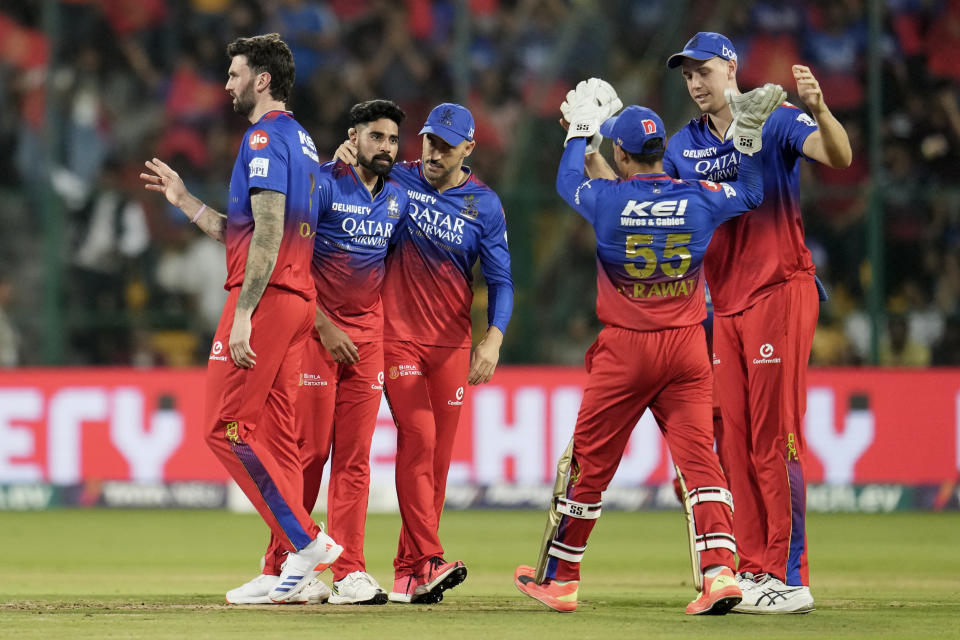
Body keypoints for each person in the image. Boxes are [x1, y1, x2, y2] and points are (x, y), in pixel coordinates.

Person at [514, 80, 781, 615]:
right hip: (686, 347)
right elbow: (751, 192)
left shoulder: (606, 199)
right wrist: (748, 138)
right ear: (661, 152)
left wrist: (579, 133)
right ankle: (720, 573)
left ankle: (561, 578)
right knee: (701, 462)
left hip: (626, 349)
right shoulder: (700, 195)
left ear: (620, 152)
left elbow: (568, 180)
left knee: (589, 463)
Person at [139, 33, 341, 604]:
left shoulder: (260, 136)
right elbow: (244, 232)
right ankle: (296, 575)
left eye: (233, 75)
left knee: (223, 428)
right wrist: (183, 200)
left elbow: (269, 230)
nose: (225, 85)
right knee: (274, 438)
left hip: (268, 298)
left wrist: (246, 312)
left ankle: (305, 542)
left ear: (262, 81)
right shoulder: (299, 140)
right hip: (298, 298)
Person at [663, 32, 852, 613]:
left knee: (776, 437)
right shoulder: (682, 146)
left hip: (780, 288)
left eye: (704, 71)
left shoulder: (774, 116)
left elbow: (839, 156)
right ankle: (753, 568)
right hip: (727, 303)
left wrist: (820, 109)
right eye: (687, 75)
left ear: (731, 68)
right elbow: (671, 206)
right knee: (737, 443)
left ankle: (789, 575)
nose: (696, 84)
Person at [227, 99, 409, 606]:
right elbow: (294, 258)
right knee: (305, 455)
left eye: (393, 139)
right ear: (354, 136)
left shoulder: (398, 196)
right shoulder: (323, 184)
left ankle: (350, 572)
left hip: (367, 343)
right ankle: (283, 565)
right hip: (315, 336)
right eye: (377, 136)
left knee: (355, 462)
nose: (386, 147)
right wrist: (325, 325)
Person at [336, 102, 514, 603]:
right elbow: (351, 195)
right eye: (429, 141)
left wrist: (494, 337)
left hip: (452, 346)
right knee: (418, 434)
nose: (433, 152)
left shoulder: (486, 205)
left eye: (446, 145)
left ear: (468, 149)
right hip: (397, 337)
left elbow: (501, 280)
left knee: (436, 461)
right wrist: (343, 162)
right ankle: (430, 556)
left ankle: (410, 574)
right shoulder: (398, 180)